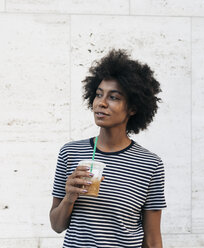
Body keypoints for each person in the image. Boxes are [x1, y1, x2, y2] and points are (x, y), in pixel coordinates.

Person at [49, 49, 166, 248]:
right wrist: (69, 197)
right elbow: (57, 225)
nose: (101, 103)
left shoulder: (150, 164)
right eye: (98, 95)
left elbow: (152, 239)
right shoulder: (70, 153)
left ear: (133, 108)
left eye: (113, 97)